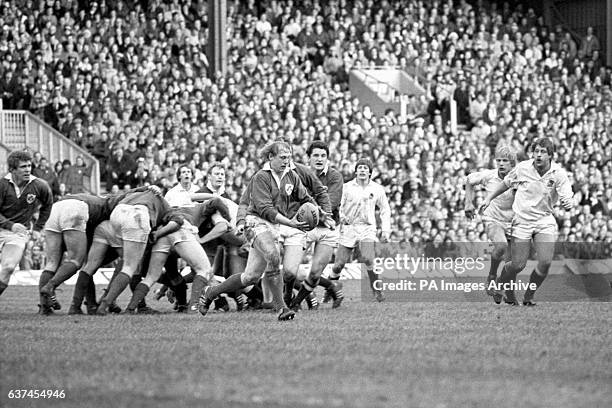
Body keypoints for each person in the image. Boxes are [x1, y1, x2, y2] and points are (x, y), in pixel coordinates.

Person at [197, 140, 314, 321]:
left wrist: (319, 213)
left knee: (250, 277)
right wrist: (243, 221)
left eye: (289, 157)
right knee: (273, 256)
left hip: (273, 226)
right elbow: (265, 210)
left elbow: (306, 198)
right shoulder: (261, 177)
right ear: (270, 157)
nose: (286, 161)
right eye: (283, 157)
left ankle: (211, 292)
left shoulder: (292, 176)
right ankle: (282, 308)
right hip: (256, 222)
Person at [38, 185, 162, 314]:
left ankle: (45, 308)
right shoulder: (116, 204)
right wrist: (146, 188)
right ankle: (50, 286)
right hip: (75, 209)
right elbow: (127, 194)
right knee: (76, 261)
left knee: (52, 263)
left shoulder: (102, 203)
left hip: (55, 208)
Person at [480, 137, 574, 305]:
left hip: (544, 220)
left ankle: (528, 296)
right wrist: (488, 198)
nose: (538, 155)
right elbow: (506, 183)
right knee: (518, 265)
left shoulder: (558, 173)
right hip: (522, 220)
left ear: (550, 155)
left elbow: (567, 194)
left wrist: (568, 201)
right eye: (536, 151)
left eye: (542, 152)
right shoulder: (523, 168)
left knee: (545, 262)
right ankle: (500, 283)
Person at [124, 198, 231, 313]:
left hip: (163, 231)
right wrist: (227, 217)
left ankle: (130, 308)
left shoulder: (180, 205)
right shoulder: (202, 207)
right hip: (181, 228)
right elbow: (217, 201)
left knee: (151, 276)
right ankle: (193, 309)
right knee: (204, 270)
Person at [95, 189, 174, 315]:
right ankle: (104, 304)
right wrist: (158, 233)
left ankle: (115, 300)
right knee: (130, 267)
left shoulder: (141, 192)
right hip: (137, 215)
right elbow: (177, 221)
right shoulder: (166, 205)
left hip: (117, 213)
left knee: (128, 261)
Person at [289, 141, 345, 311]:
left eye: (323, 156)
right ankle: (330, 287)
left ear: (327, 159)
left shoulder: (335, 177)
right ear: (309, 158)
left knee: (315, 273)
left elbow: (332, 203)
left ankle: (296, 303)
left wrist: (309, 208)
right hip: (304, 227)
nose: (319, 159)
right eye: (316, 155)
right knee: (293, 272)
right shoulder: (298, 175)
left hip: (327, 228)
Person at [329, 158, 391, 302]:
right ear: (355, 171)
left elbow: (385, 209)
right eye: (360, 168)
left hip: (367, 228)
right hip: (349, 228)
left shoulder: (377, 189)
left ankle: (376, 290)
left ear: (370, 172)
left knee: (368, 258)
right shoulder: (346, 187)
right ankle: (330, 290)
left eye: (365, 168)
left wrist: (386, 230)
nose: (362, 170)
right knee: (338, 265)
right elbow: (338, 206)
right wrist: (342, 217)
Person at [464, 144, 517, 295]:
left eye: (505, 161)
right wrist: (468, 203)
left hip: (513, 221)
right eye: (498, 160)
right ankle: (492, 276)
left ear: (512, 163)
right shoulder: (489, 176)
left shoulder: (518, 178)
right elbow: (469, 180)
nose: (501, 163)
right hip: (492, 219)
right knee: (501, 246)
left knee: (514, 262)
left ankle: (507, 292)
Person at [0, 150, 53, 298]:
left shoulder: (39, 185)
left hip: (16, 234)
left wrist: (38, 227)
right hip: (7, 227)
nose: (28, 169)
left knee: (9, 267)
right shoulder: (1, 184)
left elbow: (48, 204)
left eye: (29, 165)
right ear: (12, 169)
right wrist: (10, 224)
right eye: (23, 166)